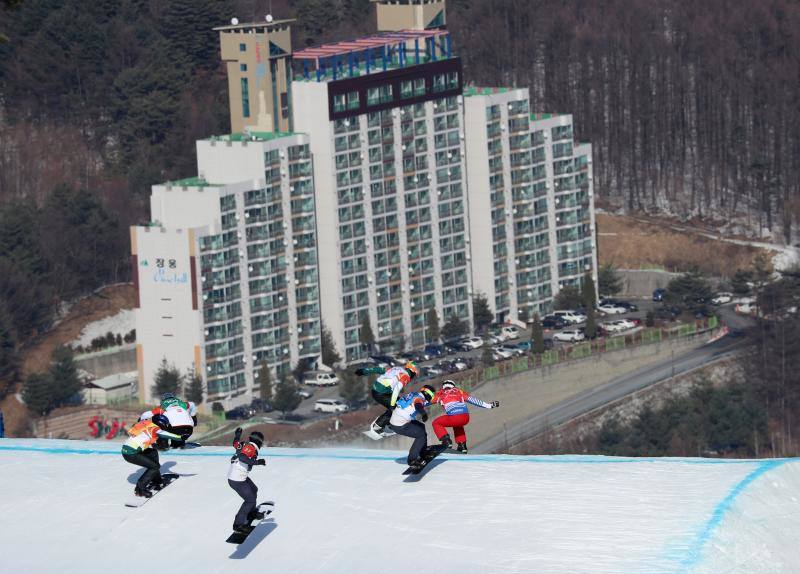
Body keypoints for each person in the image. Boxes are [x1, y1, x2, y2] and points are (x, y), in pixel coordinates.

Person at [121, 414, 182, 497]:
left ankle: (157, 480)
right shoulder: (155, 429)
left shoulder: (146, 423)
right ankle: (140, 489)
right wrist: (180, 437)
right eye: (165, 425)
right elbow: (169, 435)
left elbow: (138, 432)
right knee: (155, 466)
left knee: (153, 452)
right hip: (131, 453)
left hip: (129, 448)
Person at [431, 380, 499, 454]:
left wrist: (419, 406)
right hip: (465, 418)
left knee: (436, 423)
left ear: (443, 386)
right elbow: (473, 400)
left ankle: (446, 441)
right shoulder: (459, 392)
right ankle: (462, 445)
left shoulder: (441, 394)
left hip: (454, 417)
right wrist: (489, 405)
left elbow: (428, 401)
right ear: (453, 386)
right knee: (457, 425)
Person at [355, 361, 419, 433]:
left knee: (400, 403)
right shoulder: (406, 376)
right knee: (397, 408)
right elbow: (396, 390)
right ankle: (378, 426)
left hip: (377, 389)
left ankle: (388, 423)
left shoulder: (398, 368)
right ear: (413, 372)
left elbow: (380, 369)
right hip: (381, 393)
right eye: (415, 374)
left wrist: (364, 371)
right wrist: (392, 406)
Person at [228, 428, 267, 533]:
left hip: (238, 476)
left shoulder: (243, 444)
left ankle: (251, 512)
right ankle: (238, 525)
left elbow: (235, 443)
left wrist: (237, 435)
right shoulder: (251, 447)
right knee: (249, 500)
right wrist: (258, 462)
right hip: (237, 479)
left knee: (254, 489)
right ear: (259, 442)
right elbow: (242, 457)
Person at [388, 384, 436, 468]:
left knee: (421, 426)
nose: (432, 397)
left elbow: (422, 403)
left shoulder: (414, 394)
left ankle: (422, 451)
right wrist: (424, 414)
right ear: (427, 393)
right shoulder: (419, 399)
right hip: (400, 424)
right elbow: (418, 405)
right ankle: (412, 460)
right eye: (432, 395)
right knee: (421, 435)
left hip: (396, 421)